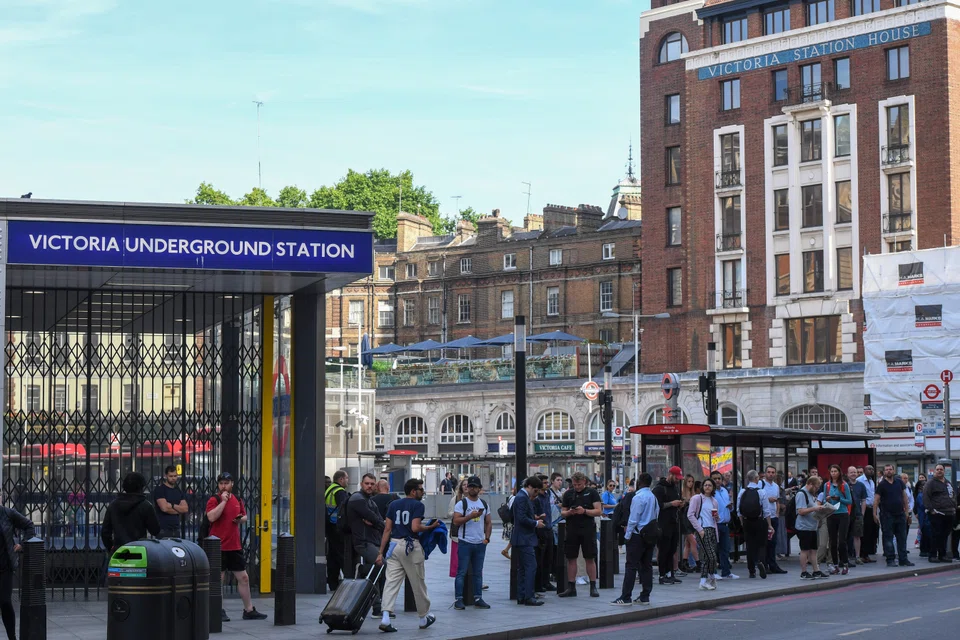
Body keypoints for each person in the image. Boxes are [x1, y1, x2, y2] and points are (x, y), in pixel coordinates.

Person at [376, 478, 440, 632]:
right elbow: (415, 527)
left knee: (391, 582)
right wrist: (431, 526)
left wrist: (380, 552)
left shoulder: (393, 504)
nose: (422, 491)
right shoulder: (418, 505)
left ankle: (385, 617)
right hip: (411, 546)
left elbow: (387, 529)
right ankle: (423, 617)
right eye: (421, 489)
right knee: (418, 583)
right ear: (413, 491)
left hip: (394, 545)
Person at [205, 472, 267, 621]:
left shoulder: (238, 499)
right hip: (217, 546)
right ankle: (217, 609)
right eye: (221, 483)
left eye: (226, 483)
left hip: (234, 545)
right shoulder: (214, 500)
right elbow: (211, 517)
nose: (223, 486)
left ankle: (249, 609)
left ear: (232, 484)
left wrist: (240, 519)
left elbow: (244, 516)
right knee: (218, 579)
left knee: (243, 577)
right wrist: (223, 502)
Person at [611, 473, 659, 606]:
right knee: (646, 566)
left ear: (639, 482)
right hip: (649, 535)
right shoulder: (653, 497)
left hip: (637, 535)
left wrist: (627, 536)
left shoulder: (639, 497)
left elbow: (633, 519)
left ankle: (626, 597)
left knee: (631, 566)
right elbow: (657, 514)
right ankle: (645, 596)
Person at [347, 473, 387, 617]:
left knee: (376, 572)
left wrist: (376, 522)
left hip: (372, 541)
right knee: (381, 565)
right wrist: (376, 522)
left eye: (371, 484)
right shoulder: (357, 499)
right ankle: (362, 570)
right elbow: (375, 519)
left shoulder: (370, 501)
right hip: (363, 542)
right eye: (367, 483)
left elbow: (377, 520)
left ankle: (377, 607)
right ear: (361, 484)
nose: (369, 486)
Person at [558, 472, 602, 598]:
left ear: (585, 482)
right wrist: (570, 512)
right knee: (571, 557)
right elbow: (563, 512)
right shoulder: (568, 494)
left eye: (579, 484)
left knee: (590, 557)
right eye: (575, 484)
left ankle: (593, 586)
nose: (577, 487)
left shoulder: (592, 493)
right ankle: (571, 587)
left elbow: (598, 511)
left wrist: (585, 511)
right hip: (572, 529)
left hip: (587, 529)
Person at [452, 476, 492, 609]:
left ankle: (478, 598)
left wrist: (487, 538)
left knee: (478, 572)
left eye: (475, 486)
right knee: (461, 572)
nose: (472, 489)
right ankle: (459, 599)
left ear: (480, 489)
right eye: (470, 486)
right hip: (465, 542)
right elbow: (456, 521)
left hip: (480, 543)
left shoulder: (484, 504)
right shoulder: (461, 504)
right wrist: (470, 516)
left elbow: (488, 522)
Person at [0, 504, 35, 640]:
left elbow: (29, 526)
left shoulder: (8, 513)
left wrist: (23, 544)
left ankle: (12, 637)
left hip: (5, 566)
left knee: (5, 602)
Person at [101, 472, 160, 552]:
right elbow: (155, 530)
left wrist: (110, 547)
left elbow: (105, 532)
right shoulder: (146, 505)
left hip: (119, 551)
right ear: (141, 487)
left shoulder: (113, 505)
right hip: (140, 551)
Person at [511, 476, 546, 606]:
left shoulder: (521, 497)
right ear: (529, 486)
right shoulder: (522, 498)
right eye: (535, 491)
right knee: (531, 566)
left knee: (523, 568)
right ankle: (529, 596)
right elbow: (521, 518)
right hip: (524, 538)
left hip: (522, 538)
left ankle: (522, 595)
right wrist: (536, 523)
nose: (536, 494)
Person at [873, 464, 913, 568]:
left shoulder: (899, 482)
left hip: (900, 514)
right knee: (888, 538)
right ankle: (890, 560)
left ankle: (903, 559)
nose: (889, 471)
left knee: (902, 538)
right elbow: (876, 500)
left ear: (893, 470)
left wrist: (907, 512)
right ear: (884, 472)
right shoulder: (881, 485)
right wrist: (874, 514)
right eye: (886, 470)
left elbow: (904, 497)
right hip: (887, 515)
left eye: (890, 469)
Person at [652, 466, 684, 585]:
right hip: (663, 524)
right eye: (676, 477)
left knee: (672, 549)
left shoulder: (675, 488)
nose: (678, 480)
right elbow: (657, 506)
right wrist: (671, 504)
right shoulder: (659, 488)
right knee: (664, 549)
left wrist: (680, 504)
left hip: (674, 522)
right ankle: (662, 574)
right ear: (670, 474)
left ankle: (670, 573)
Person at [688, 478, 720, 590]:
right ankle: (711, 577)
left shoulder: (714, 501)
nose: (707, 487)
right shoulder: (697, 498)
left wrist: (717, 517)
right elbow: (690, 515)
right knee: (712, 556)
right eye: (705, 485)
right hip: (702, 529)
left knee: (706, 557)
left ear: (713, 488)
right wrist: (699, 529)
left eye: (710, 485)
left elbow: (716, 519)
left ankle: (703, 581)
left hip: (712, 529)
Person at [737, 470, 770, 579]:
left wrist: (742, 522)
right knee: (761, 544)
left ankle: (751, 570)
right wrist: (769, 525)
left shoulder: (742, 492)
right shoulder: (762, 492)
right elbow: (766, 511)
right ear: (756, 479)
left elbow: (739, 510)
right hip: (759, 520)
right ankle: (761, 562)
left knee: (750, 545)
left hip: (747, 521)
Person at [922, 463, 956, 563]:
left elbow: (953, 495)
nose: (939, 471)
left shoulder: (947, 483)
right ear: (934, 471)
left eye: (941, 469)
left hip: (949, 513)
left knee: (944, 535)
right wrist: (931, 510)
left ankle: (942, 555)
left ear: (944, 471)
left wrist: (954, 507)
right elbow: (926, 497)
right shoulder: (930, 483)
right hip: (936, 513)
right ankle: (932, 555)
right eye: (937, 469)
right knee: (936, 535)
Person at [795, 476, 827, 579]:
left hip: (812, 526)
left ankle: (816, 570)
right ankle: (804, 572)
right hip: (804, 527)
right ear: (811, 484)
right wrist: (815, 508)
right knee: (805, 550)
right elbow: (800, 511)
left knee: (814, 550)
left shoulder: (811, 494)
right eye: (817, 487)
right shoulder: (801, 494)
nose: (817, 489)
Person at [823, 464, 852, 575]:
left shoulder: (844, 485)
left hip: (843, 513)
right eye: (832, 471)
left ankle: (845, 564)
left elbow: (849, 501)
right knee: (832, 541)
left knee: (842, 541)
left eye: (835, 471)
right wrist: (828, 499)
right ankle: (835, 565)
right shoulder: (827, 485)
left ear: (839, 472)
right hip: (831, 513)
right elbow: (825, 499)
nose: (834, 473)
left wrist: (839, 498)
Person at [324, 469, 349, 591]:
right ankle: (349, 582)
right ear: (341, 479)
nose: (347, 481)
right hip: (337, 528)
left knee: (332, 556)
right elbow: (344, 510)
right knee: (342, 555)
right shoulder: (340, 492)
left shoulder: (330, 489)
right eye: (347, 478)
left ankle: (333, 582)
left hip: (329, 527)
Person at [710, 470, 737, 579]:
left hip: (725, 524)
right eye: (714, 479)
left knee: (725, 549)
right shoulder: (710, 492)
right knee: (713, 549)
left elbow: (728, 506)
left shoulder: (725, 491)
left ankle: (726, 572)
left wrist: (731, 507)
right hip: (715, 524)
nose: (717, 481)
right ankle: (713, 572)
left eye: (719, 478)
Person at [760, 466, 787, 574]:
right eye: (769, 472)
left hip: (773, 516)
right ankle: (764, 565)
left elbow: (777, 501)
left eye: (773, 472)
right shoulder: (761, 484)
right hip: (764, 517)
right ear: (765, 473)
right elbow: (758, 498)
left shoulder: (776, 486)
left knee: (773, 542)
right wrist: (768, 499)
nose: (771, 474)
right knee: (765, 542)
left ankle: (773, 564)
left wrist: (776, 513)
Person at [534, 474, 555, 594]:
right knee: (540, 558)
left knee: (548, 557)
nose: (547, 484)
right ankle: (539, 583)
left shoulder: (547, 495)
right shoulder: (537, 498)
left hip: (549, 528)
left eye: (547, 482)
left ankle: (546, 581)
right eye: (545, 482)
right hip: (540, 529)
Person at [153, 465, 188, 539]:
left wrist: (172, 505)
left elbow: (185, 509)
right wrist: (178, 510)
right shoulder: (160, 490)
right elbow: (164, 508)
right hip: (163, 529)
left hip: (176, 529)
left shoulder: (178, 491)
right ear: (166, 476)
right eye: (171, 476)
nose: (173, 478)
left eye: (175, 476)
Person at [447, 478, 468, 579]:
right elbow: (449, 513)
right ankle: (458, 578)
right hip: (457, 532)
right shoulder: (455, 499)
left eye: (468, 485)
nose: (466, 487)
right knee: (457, 557)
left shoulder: (475, 499)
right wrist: (459, 514)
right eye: (464, 485)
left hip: (471, 533)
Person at [679, 475, 700, 574]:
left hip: (692, 521)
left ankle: (685, 562)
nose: (691, 484)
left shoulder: (694, 494)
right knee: (693, 542)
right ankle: (698, 563)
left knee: (688, 543)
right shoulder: (682, 493)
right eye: (689, 481)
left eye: (692, 481)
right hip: (684, 521)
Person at [857, 466, 878, 562]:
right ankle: (861, 554)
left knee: (870, 532)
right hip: (863, 508)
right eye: (869, 469)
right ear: (864, 471)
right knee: (863, 532)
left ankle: (866, 554)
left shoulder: (872, 481)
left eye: (872, 469)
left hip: (871, 508)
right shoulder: (860, 480)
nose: (871, 471)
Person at [847, 466, 867, 564]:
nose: (853, 474)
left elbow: (864, 501)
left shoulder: (861, 485)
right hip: (846, 514)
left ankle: (857, 557)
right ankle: (845, 556)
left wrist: (862, 514)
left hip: (858, 514)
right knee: (845, 536)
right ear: (847, 474)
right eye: (851, 472)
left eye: (855, 472)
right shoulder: (844, 485)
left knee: (857, 536)